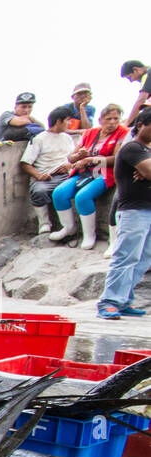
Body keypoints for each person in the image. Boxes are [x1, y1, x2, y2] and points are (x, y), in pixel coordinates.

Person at [97, 108, 151, 319]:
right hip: (134, 211)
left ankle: (124, 300)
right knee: (126, 257)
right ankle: (109, 302)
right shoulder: (132, 148)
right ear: (141, 125)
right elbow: (148, 171)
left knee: (143, 260)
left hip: (147, 210)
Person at [51, 104, 129, 249]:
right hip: (84, 172)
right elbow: (71, 158)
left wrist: (90, 160)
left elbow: (117, 158)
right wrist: (79, 156)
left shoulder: (123, 133)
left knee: (83, 196)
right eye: (108, 119)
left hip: (105, 172)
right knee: (59, 193)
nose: (112, 122)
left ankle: (89, 235)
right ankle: (69, 228)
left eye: (116, 119)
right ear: (100, 119)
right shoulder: (90, 133)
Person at [21, 106, 76, 234]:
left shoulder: (67, 138)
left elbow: (72, 158)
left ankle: (69, 228)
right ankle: (44, 224)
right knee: (38, 190)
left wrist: (70, 165)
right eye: (67, 120)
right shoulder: (40, 139)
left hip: (67, 174)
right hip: (48, 177)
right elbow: (25, 163)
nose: (69, 123)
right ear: (58, 121)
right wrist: (39, 176)